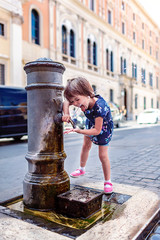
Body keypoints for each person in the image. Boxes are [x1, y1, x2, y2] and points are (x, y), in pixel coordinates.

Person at [62, 77, 114, 194]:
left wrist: (78, 130)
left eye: (77, 100)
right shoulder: (80, 99)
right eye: (73, 101)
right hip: (91, 123)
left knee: (102, 155)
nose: (74, 104)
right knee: (85, 146)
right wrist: (66, 113)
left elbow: (96, 130)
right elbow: (66, 102)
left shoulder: (100, 107)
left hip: (102, 128)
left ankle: (108, 181)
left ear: (87, 94)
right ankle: (81, 169)